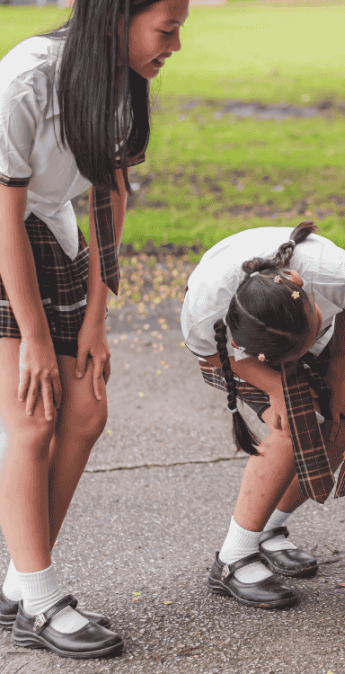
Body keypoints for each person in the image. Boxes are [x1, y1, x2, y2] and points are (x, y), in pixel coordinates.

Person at [0, 0, 189, 658]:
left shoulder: (121, 83)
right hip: (3, 238)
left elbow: (110, 199)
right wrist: (29, 341)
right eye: (167, 28)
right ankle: (42, 600)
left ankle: (20, 582)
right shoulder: (27, 75)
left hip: (53, 235)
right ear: (116, 17)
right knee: (32, 415)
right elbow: (6, 210)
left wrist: (96, 324)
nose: (176, 44)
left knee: (85, 412)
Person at [179, 222, 345, 609]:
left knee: (342, 426)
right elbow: (212, 355)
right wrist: (274, 386)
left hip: (311, 339)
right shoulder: (207, 310)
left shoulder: (333, 271)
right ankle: (233, 559)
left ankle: (266, 530)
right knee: (293, 428)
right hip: (245, 360)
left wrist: (336, 375)